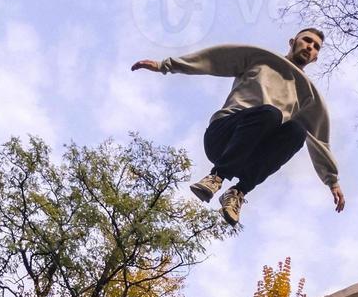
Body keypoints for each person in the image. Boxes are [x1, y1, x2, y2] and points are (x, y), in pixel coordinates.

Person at [131, 28, 346, 226]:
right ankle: (216, 177)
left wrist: (332, 181)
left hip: (250, 154)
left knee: (297, 131)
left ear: (316, 57)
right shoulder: (260, 59)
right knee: (271, 113)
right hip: (223, 136)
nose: (310, 46)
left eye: (316, 46)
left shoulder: (308, 94)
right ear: (293, 42)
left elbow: (319, 138)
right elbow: (213, 60)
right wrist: (165, 65)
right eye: (307, 40)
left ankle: (237, 193)